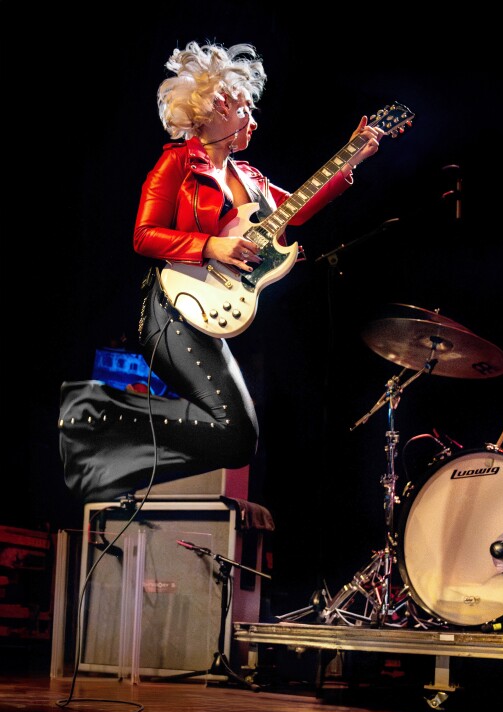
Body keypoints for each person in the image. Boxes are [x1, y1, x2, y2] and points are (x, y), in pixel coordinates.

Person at [58, 41, 384, 504]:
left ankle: (109, 434)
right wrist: (212, 245)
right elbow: (144, 235)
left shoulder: (250, 177)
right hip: (171, 307)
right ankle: (95, 410)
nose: (253, 119)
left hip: (211, 311)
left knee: (237, 439)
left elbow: (299, 207)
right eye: (245, 108)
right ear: (218, 107)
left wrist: (351, 157)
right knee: (237, 434)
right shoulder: (177, 163)